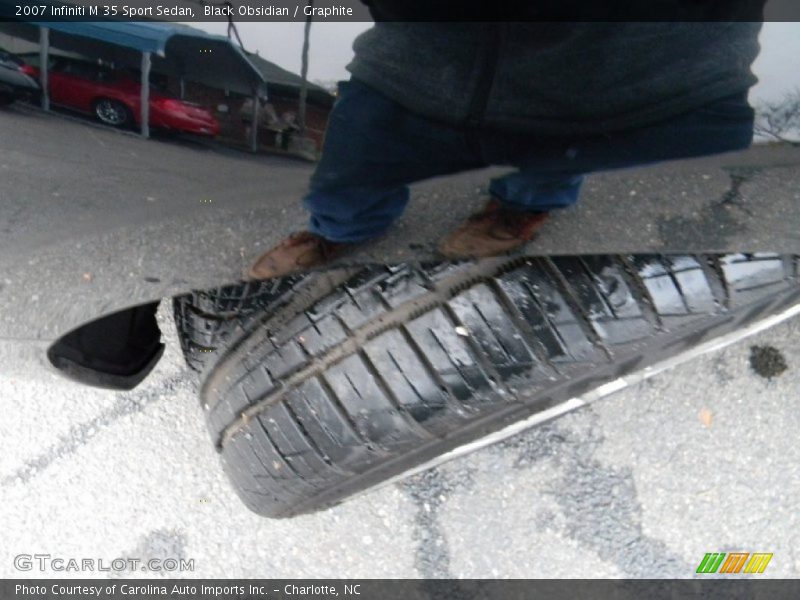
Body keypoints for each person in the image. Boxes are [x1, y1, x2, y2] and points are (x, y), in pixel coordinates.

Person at [249, 5, 765, 280]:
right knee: (353, 162)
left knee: (553, 156)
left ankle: (518, 211)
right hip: (420, 55)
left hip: (602, 67)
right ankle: (342, 228)